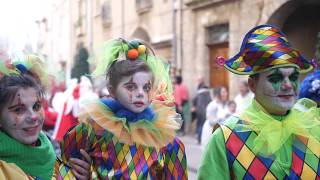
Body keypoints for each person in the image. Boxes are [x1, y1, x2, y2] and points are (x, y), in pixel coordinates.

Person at [198, 24, 320, 179]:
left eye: (294, 77)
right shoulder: (225, 137)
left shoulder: (313, 127)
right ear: (252, 85)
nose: (288, 85)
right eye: (275, 78)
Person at [58, 38, 188, 179]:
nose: (140, 93)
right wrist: (80, 172)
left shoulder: (165, 140)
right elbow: (66, 162)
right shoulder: (94, 129)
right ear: (112, 91)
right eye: (130, 87)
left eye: (146, 87)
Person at [0, 54, 90, 179]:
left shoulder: (47, 151)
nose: (33, 117)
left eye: (36, 106)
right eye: (19, 109)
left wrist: (77, 176)